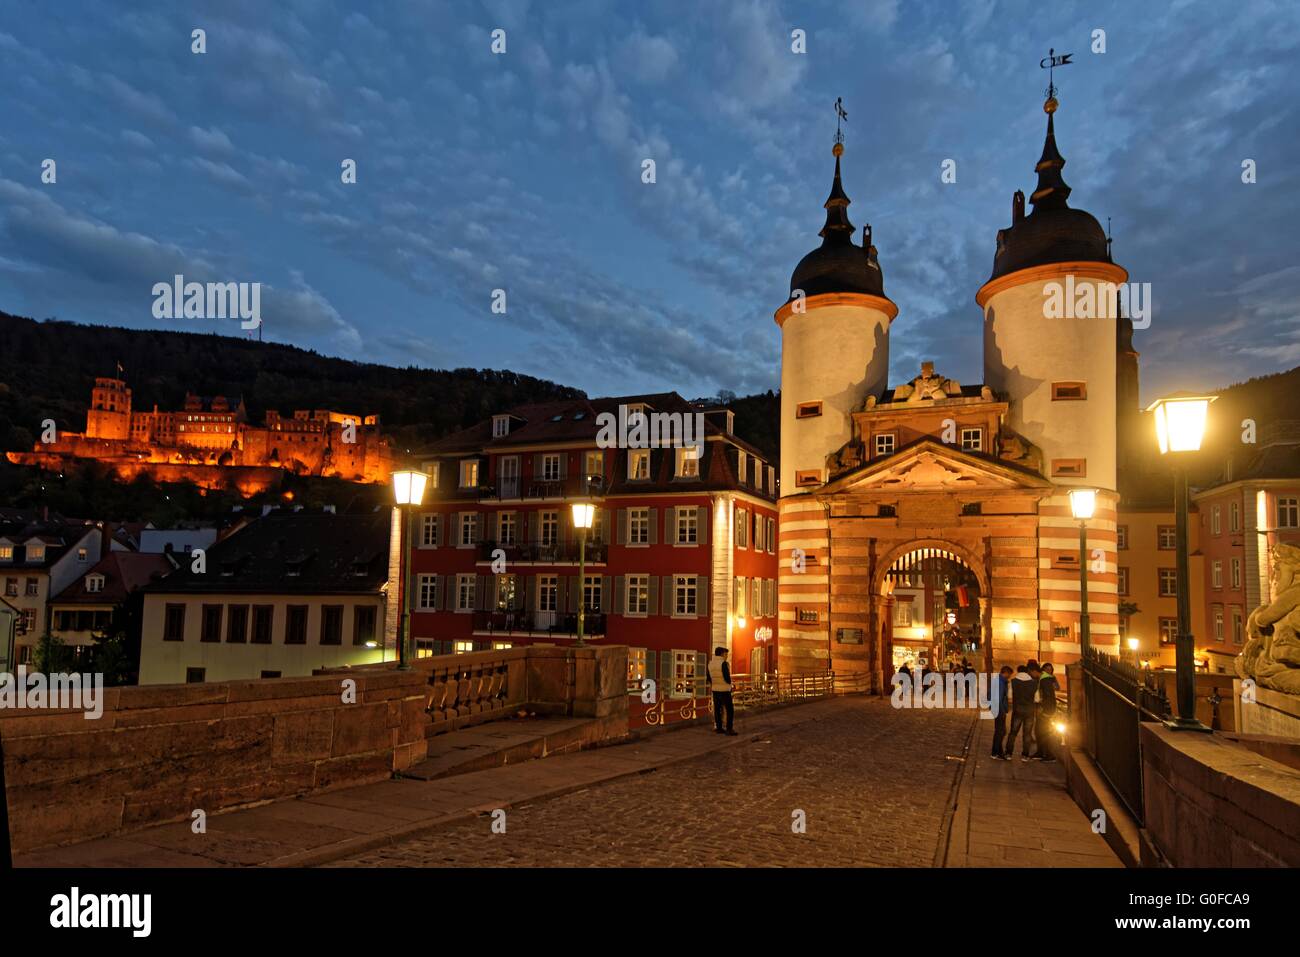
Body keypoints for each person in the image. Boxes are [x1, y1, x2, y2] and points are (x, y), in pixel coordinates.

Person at [1006, 662, 1039, 761]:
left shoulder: (1013, 682)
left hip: (1017, 710)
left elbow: (1010, 696)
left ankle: (1008, 754)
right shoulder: (1034, 683)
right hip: (1029, 711)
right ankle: (1025, 755)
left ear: (1018, 671)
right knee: (1027, 734)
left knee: (1013, 733)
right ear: (1027, 672)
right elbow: (1036, 699)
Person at [707, 646, 737, 736]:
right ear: (722, 654)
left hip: (715, 689)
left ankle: (719, 728)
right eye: (726, 654)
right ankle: (729, 728)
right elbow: (727, 677)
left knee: (717, 709)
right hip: (724, 689)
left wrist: (715, 683)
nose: (726, 656)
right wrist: (729, 684)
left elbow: (709, 677)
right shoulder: (723, 663)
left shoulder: (710, 664)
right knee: (729, 709)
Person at [1034, 662, 1061, 762]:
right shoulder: (1045, 679)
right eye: (1047, 669)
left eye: (1050, 669)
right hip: (1045, 708)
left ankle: (1049, 755)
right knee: (1039, 731)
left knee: (1045, 732)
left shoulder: (1046, 679)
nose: (1049, 670)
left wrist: (1045, 709)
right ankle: (1040, 752)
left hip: (1046, 709)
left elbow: (1051, 693)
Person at [991, 665, 1013, 760]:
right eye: (1009, 674)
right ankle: (996, 752)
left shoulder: (999, 681)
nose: (1010, 677)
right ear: (1006, 673)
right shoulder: (1000, 682)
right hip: (999, 709)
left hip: (997, 708)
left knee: (1000, 731)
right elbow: (998, 698)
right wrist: (1002, 711)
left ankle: (998, 751)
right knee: (1001, 731)